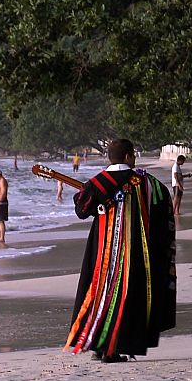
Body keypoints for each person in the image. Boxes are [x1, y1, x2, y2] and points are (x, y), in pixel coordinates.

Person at [65, 139, 176, 363]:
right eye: (133, 155)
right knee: (126, 295)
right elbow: (163, 204)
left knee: (100, 293)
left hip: (101, 251)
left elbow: (81, 210)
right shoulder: (146, 182)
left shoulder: (97, 182)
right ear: (128, 156)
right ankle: (113, 349)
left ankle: (99, 346)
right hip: (134, 250)